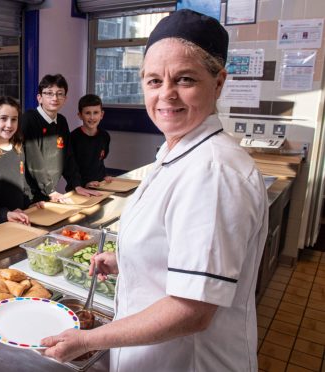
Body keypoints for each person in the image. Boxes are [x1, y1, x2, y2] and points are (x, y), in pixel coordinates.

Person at [41, 9, 268, 371]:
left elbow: (192, 310)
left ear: (219, 82)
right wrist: (129, 261)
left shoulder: (212, 171)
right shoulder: (174, 153)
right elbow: (178, 249)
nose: (166, 95)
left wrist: (87, 339)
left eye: (185, 79)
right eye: (153, 81)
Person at [20, 74, 100, 202]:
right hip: (28, 194)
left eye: (59, 93)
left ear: (65, 98)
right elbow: (33, 159)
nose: (55, 98)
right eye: (49, 93)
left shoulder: (61, 121)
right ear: (39, 98)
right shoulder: (29, 120)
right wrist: (50, 191)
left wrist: (77, 185)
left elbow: (68, 156)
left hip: (48, 192)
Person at [0, 96, 32, 211]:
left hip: (20, 215)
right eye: (3, 118)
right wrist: (6, 214)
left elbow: (23, 183)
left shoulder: (18, 148)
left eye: (14, 119)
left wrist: (30, 204)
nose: (9, 125)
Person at [70, 94, 112, 188]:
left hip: (99, 185)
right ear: (80, 115)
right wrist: (84, 184)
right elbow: (71, 169)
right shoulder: (73, 138)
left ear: (102, 115)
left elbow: (99, 161)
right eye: (87, 113)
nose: (92, 117)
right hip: (78, 188)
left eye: (96, 112)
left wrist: (104, 175)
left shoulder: (105, 136)